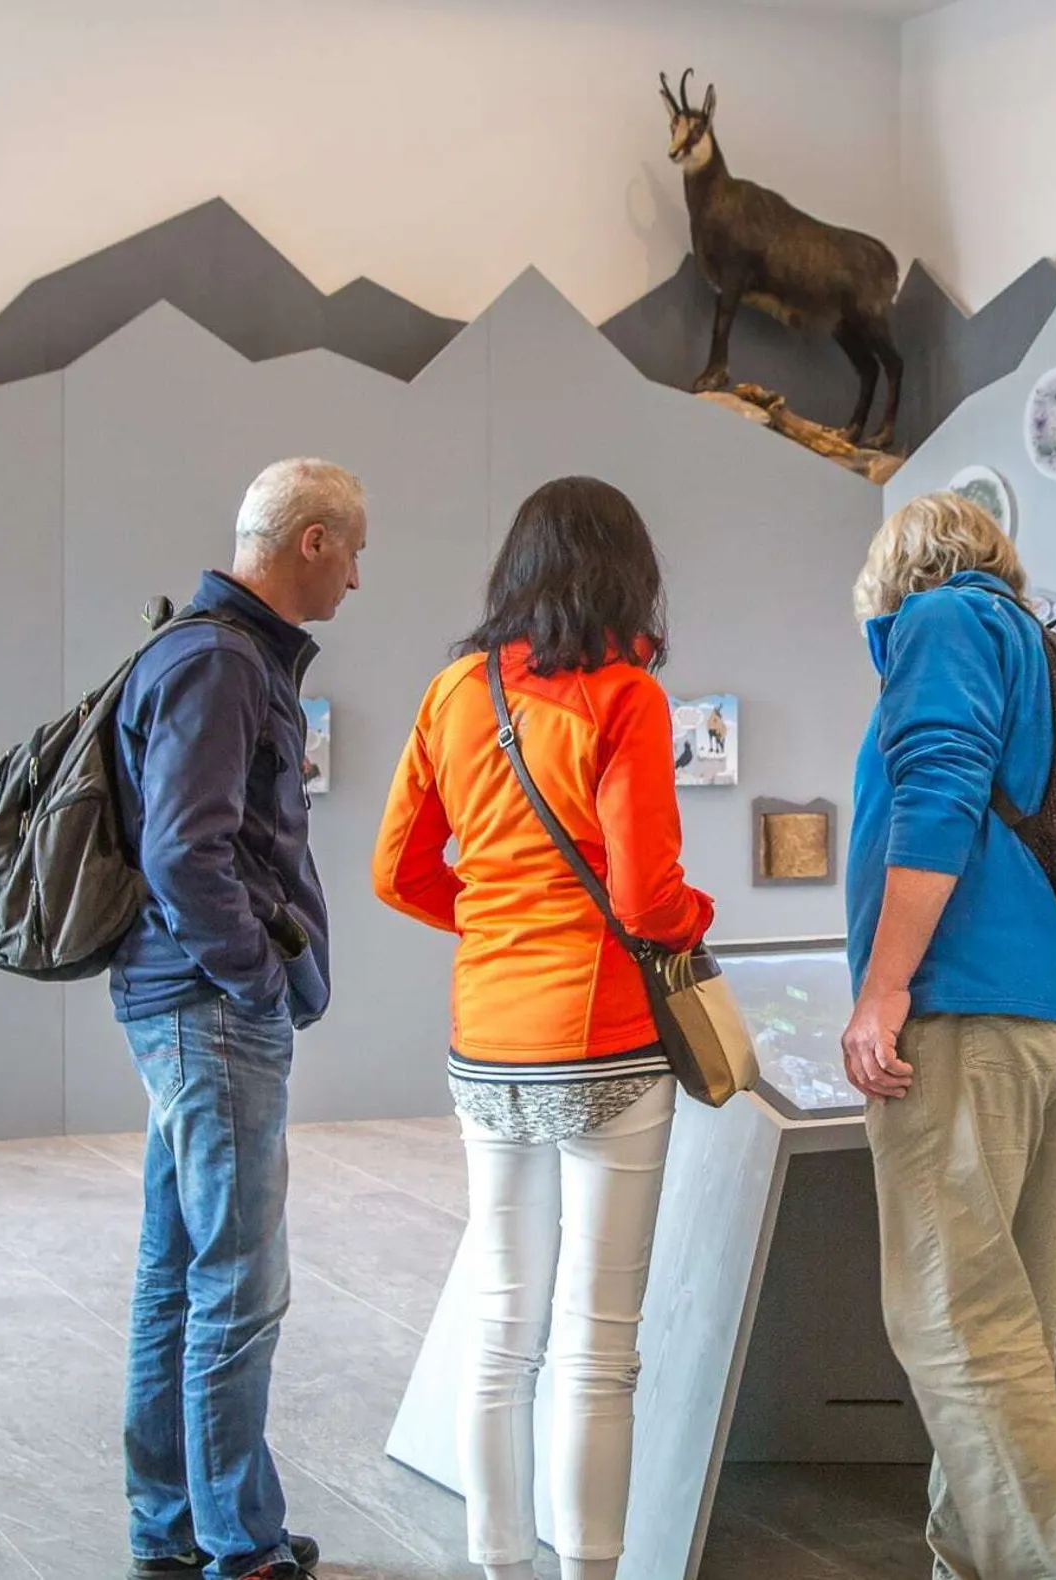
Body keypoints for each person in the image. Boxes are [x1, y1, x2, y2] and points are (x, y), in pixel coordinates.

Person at [372, 476, 713, 1580]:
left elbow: (397, 870)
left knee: (501, 1331)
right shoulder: (626, 696)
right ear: (627, 573)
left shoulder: (451, 694)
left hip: (487, 1042)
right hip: (605, 1040)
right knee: (597, 1345)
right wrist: (696, 919)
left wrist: (492, 917)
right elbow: (651, 899)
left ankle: (500, 1565)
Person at [839, 491, 1056, 1580]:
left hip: (972, 1003)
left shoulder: (946, 619)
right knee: (1009, 1334)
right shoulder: (1055, 655)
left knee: (953, 1321)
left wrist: (883, 988)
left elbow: (940, 791)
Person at [108, 458, 367, 1580]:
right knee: (238, 1283)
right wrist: (257, 973)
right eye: (353, 550)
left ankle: (177, 1525)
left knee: (182, 1270)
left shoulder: (207, 650)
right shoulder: (221, 659)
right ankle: (237, 1543)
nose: (360, 576)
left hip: (182, 1003)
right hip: (210, 1009)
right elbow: (184, 851)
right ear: (309, 541)